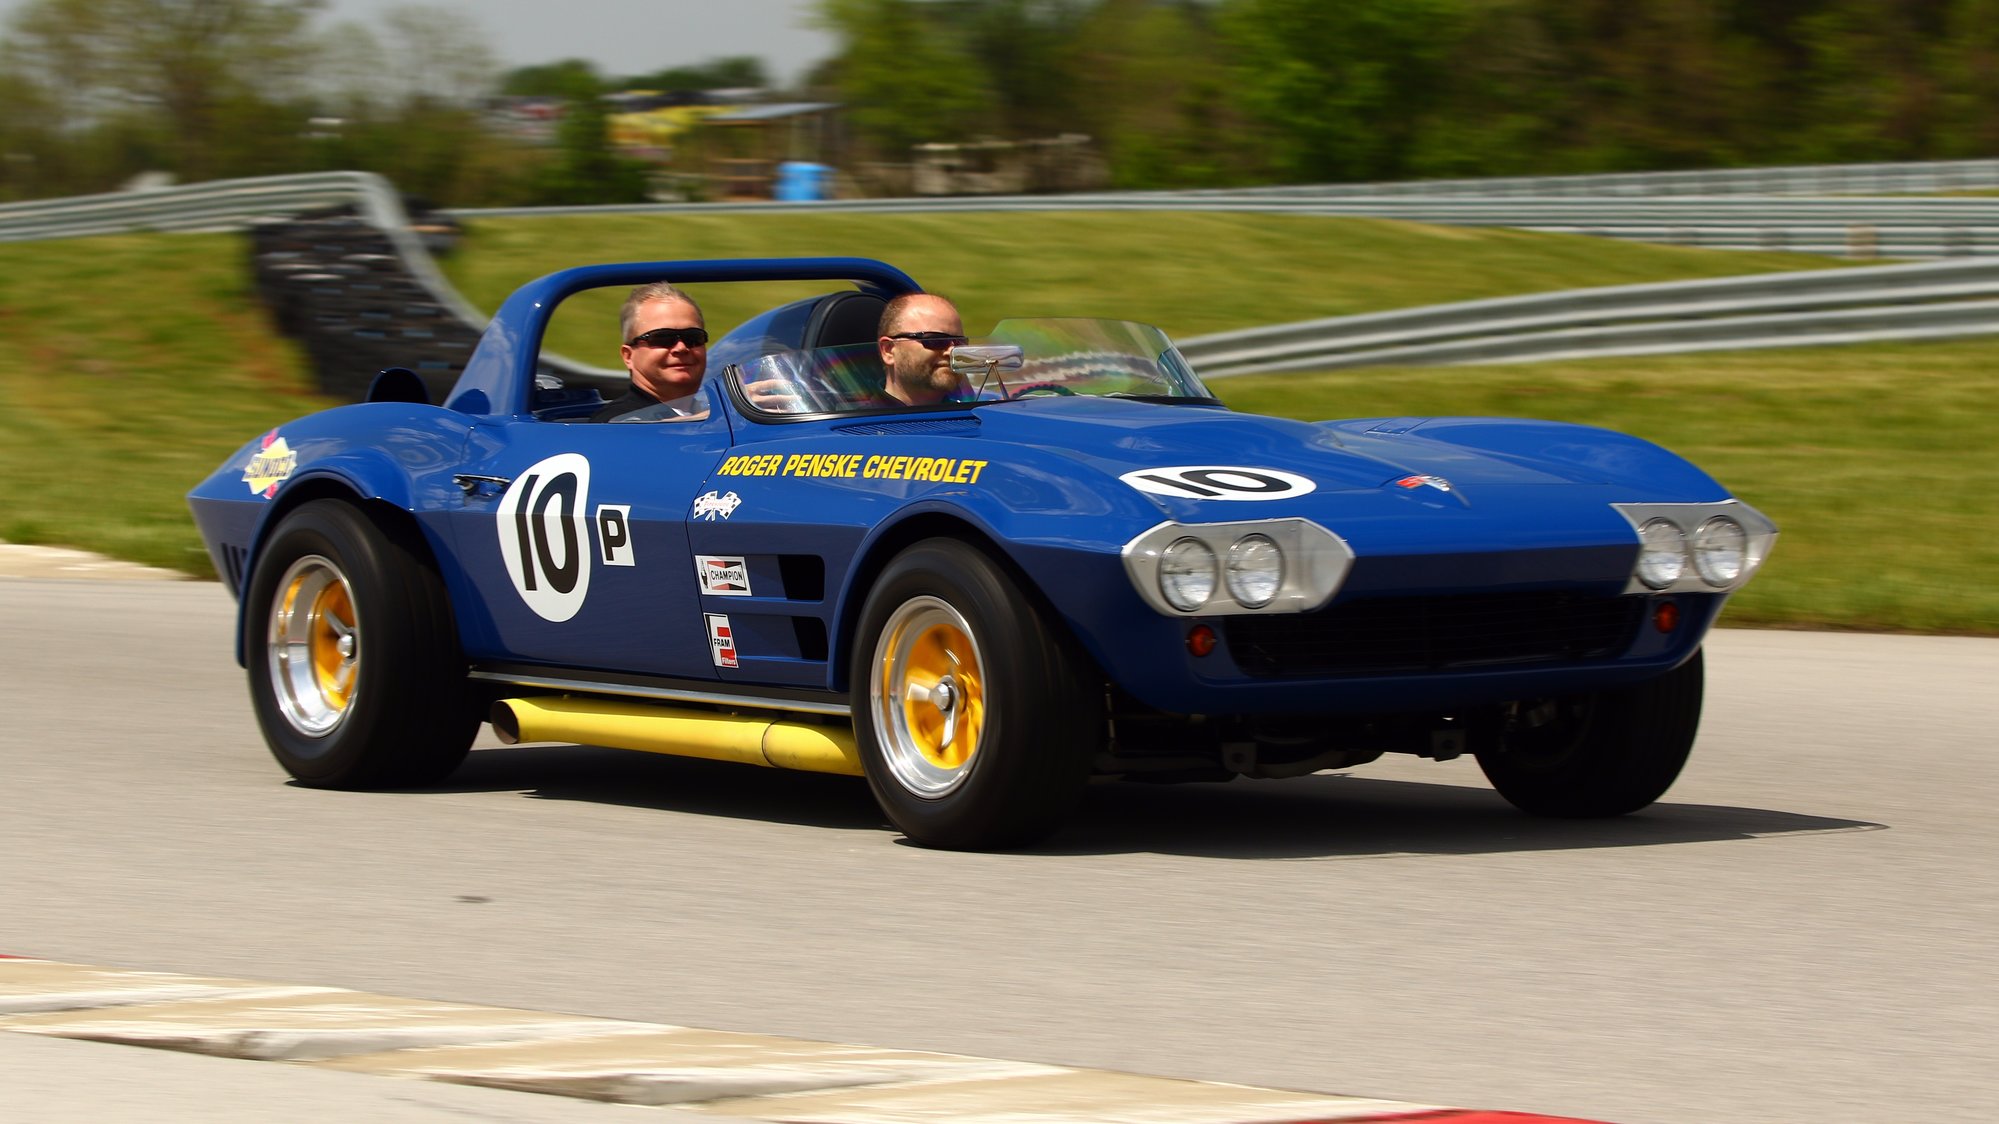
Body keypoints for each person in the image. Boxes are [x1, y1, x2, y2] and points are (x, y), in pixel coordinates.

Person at [592, 281, 710, 422]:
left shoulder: (716, 409)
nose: (681, 348)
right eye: (662, 338)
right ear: (628, 356)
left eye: (693, 337)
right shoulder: (614, 422)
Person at [876, 293, 971, 406]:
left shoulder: (977, 414)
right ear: (889, 350)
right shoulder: (862, 421)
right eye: (935, 340)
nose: (951, 351)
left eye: (959, 342)